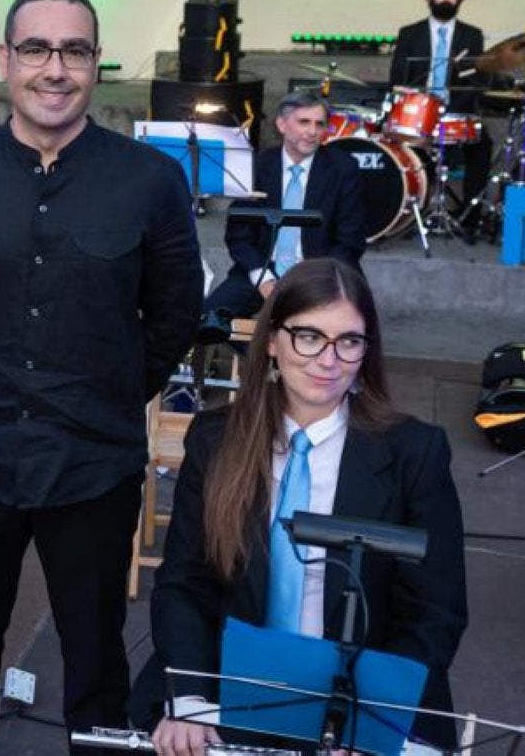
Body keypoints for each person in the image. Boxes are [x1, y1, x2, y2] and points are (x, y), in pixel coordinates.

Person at [0, 0, 203, 754]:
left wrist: (112, 386)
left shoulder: (150, 180)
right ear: (6, 59)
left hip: (93, 463)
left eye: (74, 50)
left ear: (97, 63)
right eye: (36, 48)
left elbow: (175, 309)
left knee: (96, 661)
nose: (55, 68)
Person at [130, 258, 468, 755]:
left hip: (363, 696)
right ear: (272, 341)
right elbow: (185, 583)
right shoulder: (216, 439)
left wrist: (371, 726)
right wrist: (192, 700)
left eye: (348, 341)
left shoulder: (414, 453)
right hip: (231, 685)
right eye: (309, 336)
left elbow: (434, 613)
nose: (328, 360)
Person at [199, 90, 367, 341]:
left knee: (342, 331)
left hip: (322, 271)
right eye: (304, 122)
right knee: (208, 319)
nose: (312, 131)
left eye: (320, 124)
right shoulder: (258, 165)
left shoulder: (343, 168)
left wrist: (310, 279)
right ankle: (262, 360)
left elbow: (350, 241)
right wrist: (263, 278)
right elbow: (239, 235)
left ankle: (291, 358)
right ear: (282, 124)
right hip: (263, 269)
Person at [388, 0, 490, 211]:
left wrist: (449, 110)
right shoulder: (410, 33)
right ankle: (406, 210)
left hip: (456, 111)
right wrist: (422, 106)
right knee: (395, 145)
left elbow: (474, 81)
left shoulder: (472, 35)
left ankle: (470, 215)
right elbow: (398, 78)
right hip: (418, 113)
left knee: (482, 144)